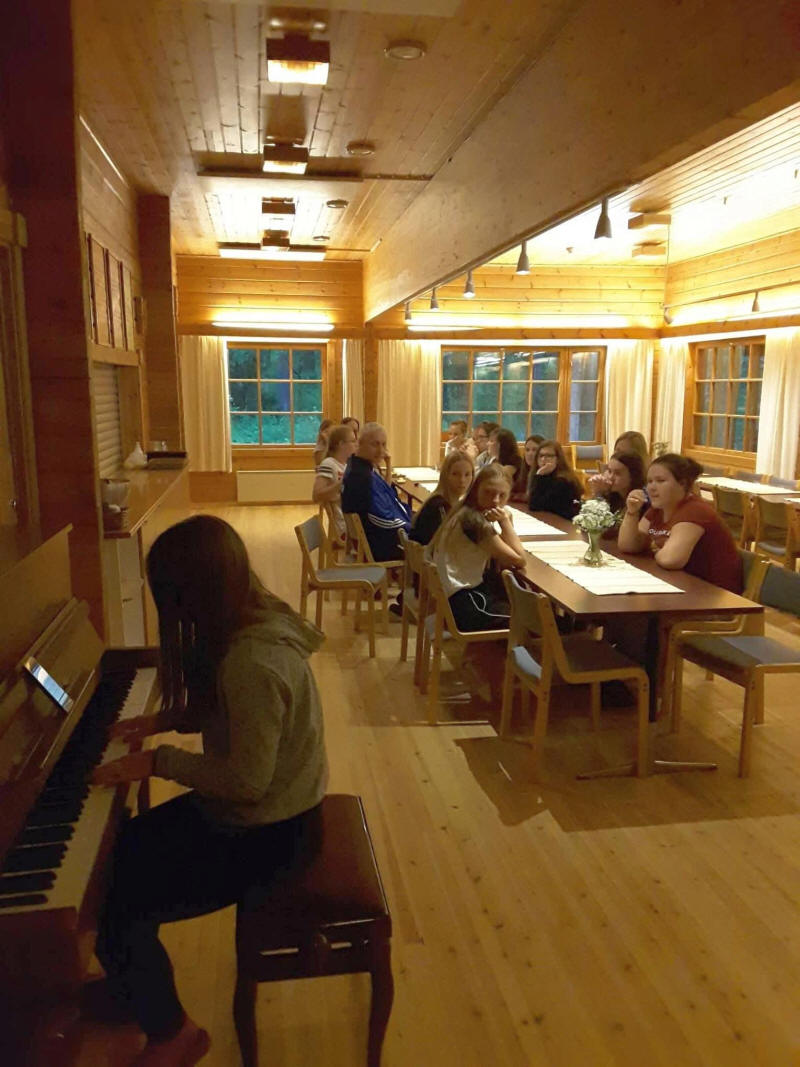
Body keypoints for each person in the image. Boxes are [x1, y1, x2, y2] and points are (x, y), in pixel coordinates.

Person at [90, 515, 328, 1066]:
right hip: (270, 815)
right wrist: (165, 720)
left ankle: (174, 1033)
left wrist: (159, 761)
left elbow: (246, 782)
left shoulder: (252, 662)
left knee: (114, 896)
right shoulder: (256, 621)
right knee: (117, 852)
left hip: (270, 836)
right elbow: (233, 717)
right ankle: (133, 986)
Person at [618, 453, 743, 592]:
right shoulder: (659, 509)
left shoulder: (695, 510)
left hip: (713, 595)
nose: (651, 488)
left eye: (660, 481)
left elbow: (670, 560)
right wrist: (632, 513)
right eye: (650, 481)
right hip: (680, 586)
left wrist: (654, 547)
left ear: (682, 484)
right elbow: (628, 545)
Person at [432, 464, 526, 632]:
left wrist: (506, 521)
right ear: (476, 490)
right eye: (488, 492)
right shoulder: (473, 521)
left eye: (502, 495)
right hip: (463, 603)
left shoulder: (465, 509)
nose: (495, 500)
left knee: (517, 599)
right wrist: (505, 521)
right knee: (534, 620)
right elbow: (519, 560)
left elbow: (507, 555)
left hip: (453, 596)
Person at [341, 422, 410, 561]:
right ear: (359, 444)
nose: (381, 451)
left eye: (384, 445)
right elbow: (383, 521)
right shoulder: (361, 477)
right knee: (433, 541)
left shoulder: (361, 467)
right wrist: (412, 528)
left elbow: (387, 498)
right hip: (379, 545)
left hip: (375, 538)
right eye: (375, 444)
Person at [409, 451, 474, 546]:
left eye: (467, 474)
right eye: (455, 474)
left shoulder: (453, 503)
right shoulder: (439, 506)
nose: (462, 480)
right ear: (445, 475)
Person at [312, 424, 358, 539]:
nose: (356, 444)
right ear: (341, 444)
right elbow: (316, 496)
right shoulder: (329, 464)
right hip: (345, 528)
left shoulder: (347, 465)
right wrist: (342, 482)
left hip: (353, 523)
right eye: (353, 441)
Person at [586, 450, 647, 528]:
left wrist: (600, 495)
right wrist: (598, 493)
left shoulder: (638, 499)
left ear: (633, 477)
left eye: (617, 473)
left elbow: (614, 530)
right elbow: (589, 524)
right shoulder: (613, 495)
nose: (610, 477)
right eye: (609, 471)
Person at [527, 440, 582, 520]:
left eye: (549, 456)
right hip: (549, 519)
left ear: (558, 459)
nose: (543, 459)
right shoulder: (544, 475)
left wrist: (539, 476)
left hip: (564, 522)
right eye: (541, 455)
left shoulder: (563, 480)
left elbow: (534, 505)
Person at [511, 434, 544, 501]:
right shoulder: (524, 471)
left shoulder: (545, 472)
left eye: (534, 450)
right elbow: (511, 492)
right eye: (527, 450)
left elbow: (536, 498)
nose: (530, 454)